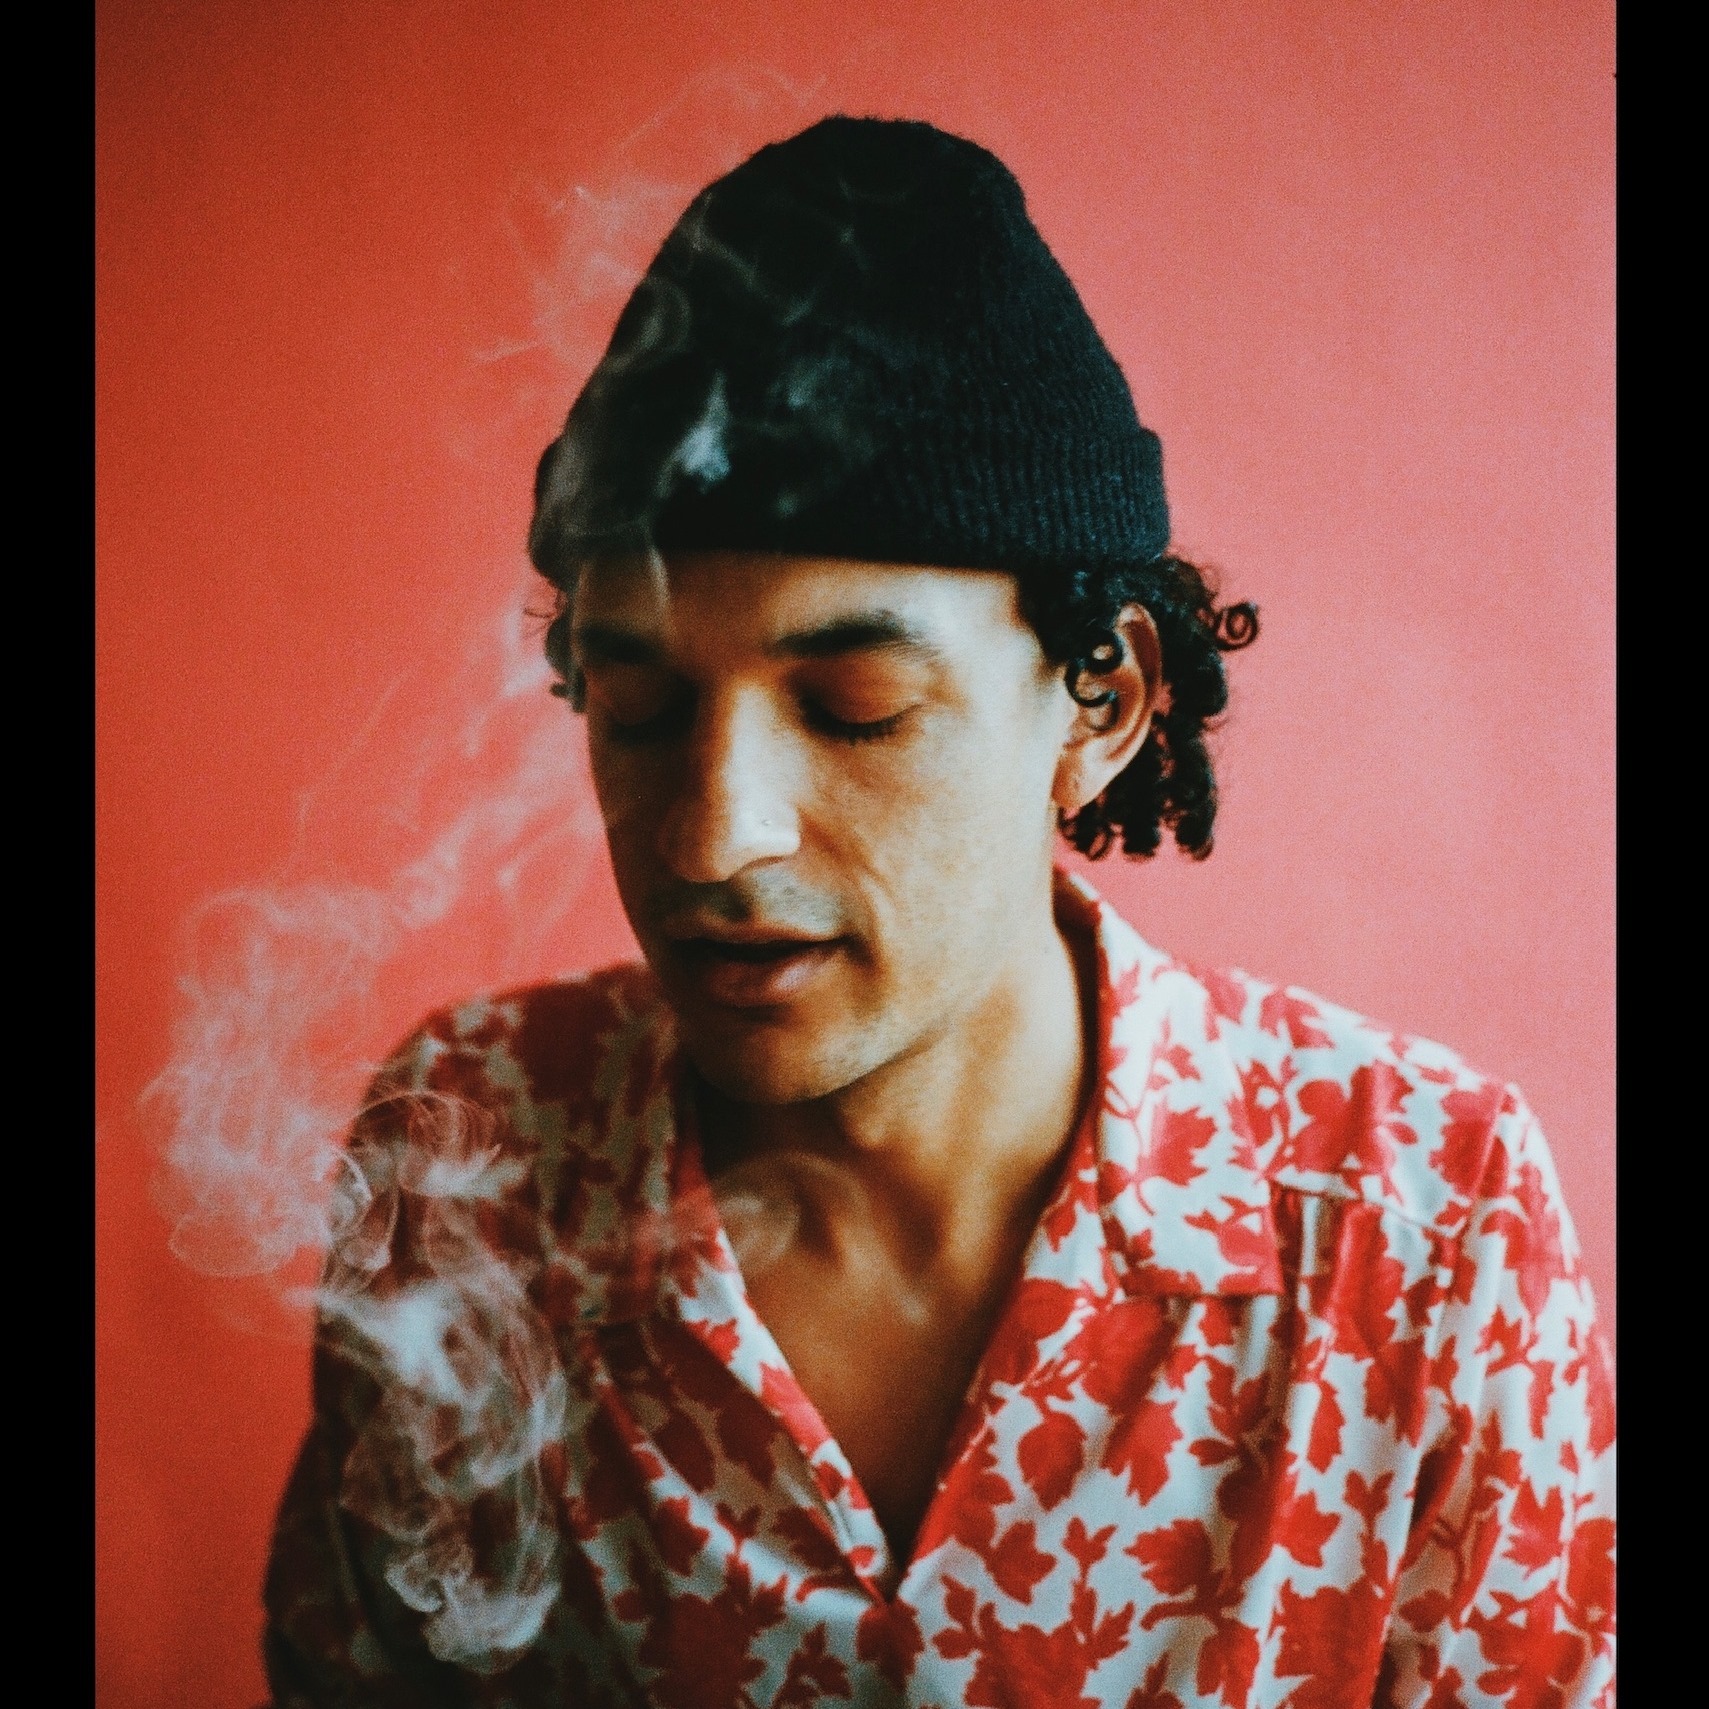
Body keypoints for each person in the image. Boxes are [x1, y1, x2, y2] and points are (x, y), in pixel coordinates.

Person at [262, 117, 1614, 1709]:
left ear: (1102, 701)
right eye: (638, 708)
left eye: (854, 708)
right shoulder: (472, 1153)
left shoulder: (1419, 1221)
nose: (712, 834)